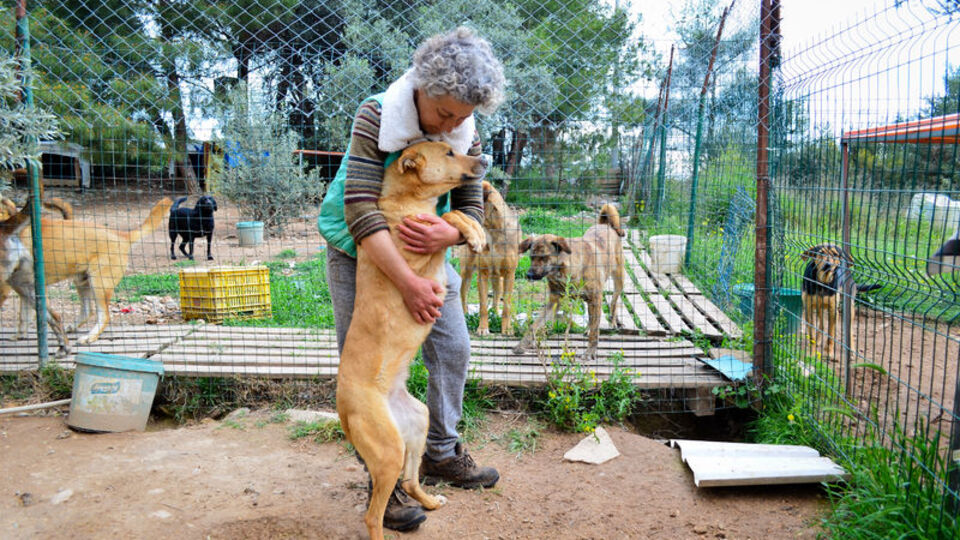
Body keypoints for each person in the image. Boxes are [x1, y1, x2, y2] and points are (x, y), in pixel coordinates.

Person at [318, 27, 506, 532]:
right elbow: (361, 206)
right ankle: (386, 476)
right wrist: (406, 282)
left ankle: (440, 452)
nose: (453, 126)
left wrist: (448, 235)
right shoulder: (377, 112)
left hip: (425, 243)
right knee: (364, 361)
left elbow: (470, 201)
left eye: (463, 118)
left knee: (453, 345)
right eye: (444, 114)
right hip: (357, 242)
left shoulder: (463, 124)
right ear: (421, 88)